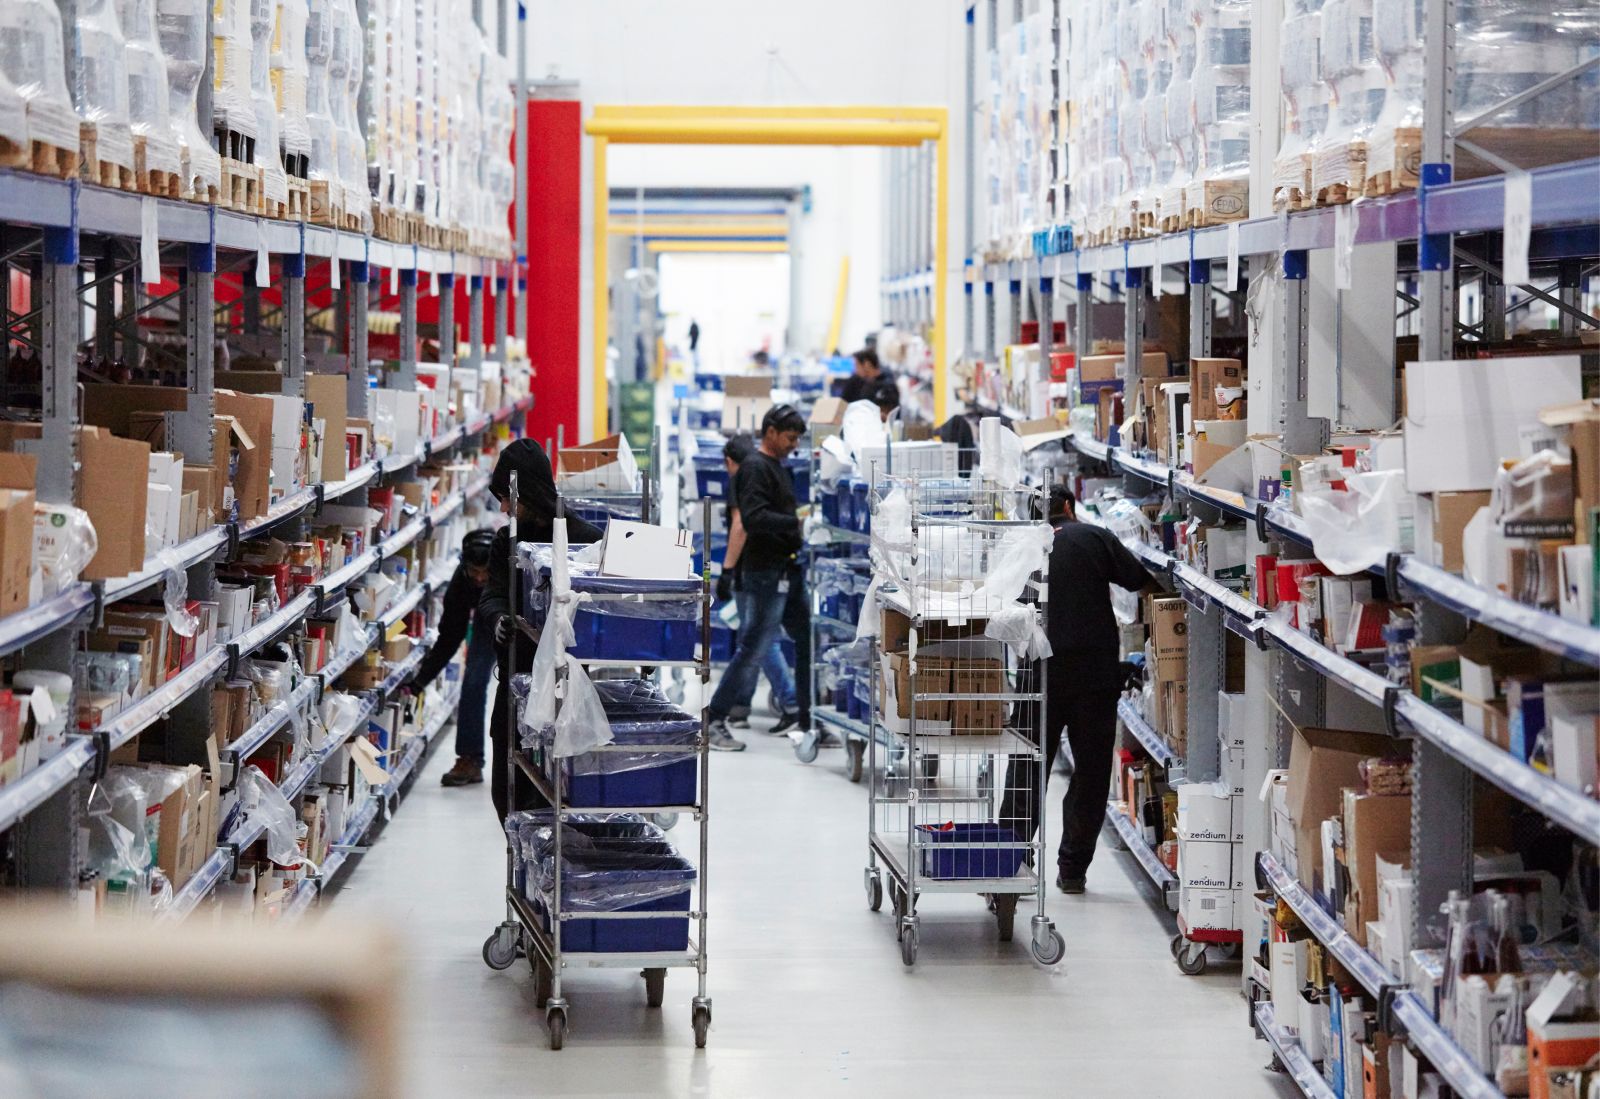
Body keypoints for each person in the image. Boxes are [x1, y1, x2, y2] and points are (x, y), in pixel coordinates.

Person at [999, 484, 1158, 894]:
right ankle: (1072, 870)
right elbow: (1140, 580)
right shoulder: (1094, 536)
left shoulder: (1025, 548)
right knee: (1089, 772)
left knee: (1027, 765)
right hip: (1094, 671)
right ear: (1069, 507)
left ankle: (1010, 858)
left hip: (1040, 670)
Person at [477, 439, 604, 823]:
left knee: (563, 794)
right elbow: (492, 596)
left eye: (506, 498)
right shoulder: (505, 543)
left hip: (571, 693)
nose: (502, 508)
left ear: (527, 492)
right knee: (509, 793)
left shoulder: (586, 539)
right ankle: (526, 865)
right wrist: (499, 618)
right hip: (516, 685)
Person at [705, 404, 809, 750]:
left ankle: (804, 715)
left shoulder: (777, 468)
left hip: (786, 569)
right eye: (790, 437)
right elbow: (751, 519)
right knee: (754, 648)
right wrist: (794, 523)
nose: (794, 444)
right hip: (764, 572)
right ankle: (715, 717)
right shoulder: (754, 469)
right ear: (771, 432)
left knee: (802, 642)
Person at [405, 528, 498, 787]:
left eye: (485, 573)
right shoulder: (461, 584)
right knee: (473, 683)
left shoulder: (512, 575)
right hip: (485, 619)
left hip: (516, 614)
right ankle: (469, 760)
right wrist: (420, 681)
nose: (479, 578)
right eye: (474, 572)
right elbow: (449, 638)